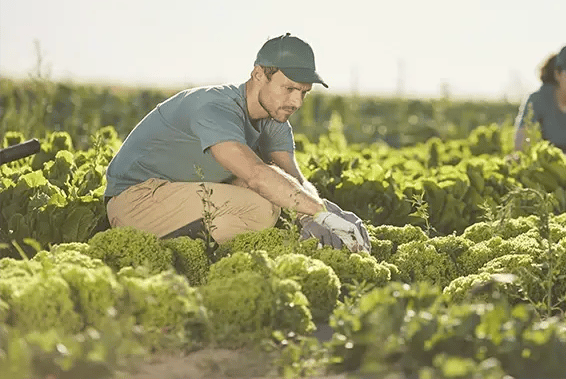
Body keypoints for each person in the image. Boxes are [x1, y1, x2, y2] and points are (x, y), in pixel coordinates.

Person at [103, 33, 370, 253]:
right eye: (288, 89)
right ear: (258, 75)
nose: (296, 103)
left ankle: (202, 251)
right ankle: (180, 254)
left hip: (183, 195)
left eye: (303, 93)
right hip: (135, 201)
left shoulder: (275, 121)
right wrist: (319, 212)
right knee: (262, 207)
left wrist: (328, 212)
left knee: (278, 199)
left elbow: (294, 180)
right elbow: (255, 175)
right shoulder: (215, 108)